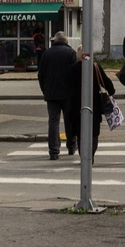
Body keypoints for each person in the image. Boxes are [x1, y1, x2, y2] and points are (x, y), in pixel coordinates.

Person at [38, 31, 79, 160]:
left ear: (55, 40)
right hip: (68, 94)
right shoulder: (71, 53)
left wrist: (44, 90)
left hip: (51, 93)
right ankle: (71, 145)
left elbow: (41, 74)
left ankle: (54, 150)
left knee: (53, 122)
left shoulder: (46, 54)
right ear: (66, 41)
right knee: (69, 120)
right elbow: (75, 73)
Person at [74, 51, 118, 155]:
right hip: (94, 105)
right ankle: (91, 154)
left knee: (80, 132)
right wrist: (111, 91)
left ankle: (83, 155)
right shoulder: (94, 68)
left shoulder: (73, 69)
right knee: (93, 132)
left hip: (76, 106)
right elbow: (108, 84)